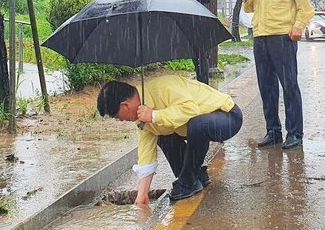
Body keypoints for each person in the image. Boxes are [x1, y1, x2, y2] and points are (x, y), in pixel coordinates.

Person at [97, 75, 243, 204]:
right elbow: (146, 154)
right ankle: (196, 177)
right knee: (162, 134)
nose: (121, 121)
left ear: (125, 105)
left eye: (117, 117)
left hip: (227, 117)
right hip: (197, 128)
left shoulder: (164, 87)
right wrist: (142, 195)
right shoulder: (141, 119)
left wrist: (155, 115)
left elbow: (191, 110)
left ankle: (188, 182)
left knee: (196, 124)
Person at [239, 0, 315, 150]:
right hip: (260, 36)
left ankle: (295, 133)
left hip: (283, 36)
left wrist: (298, 26)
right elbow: (250, 9)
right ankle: (273, 131)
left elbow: (305, 6)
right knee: (266, 88)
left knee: (289, 86)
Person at [176, 0, 212, 84]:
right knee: (195, 59)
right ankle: (200, 84)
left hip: (202, 28)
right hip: (189, 29)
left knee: (203, 58)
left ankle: (205, 85)